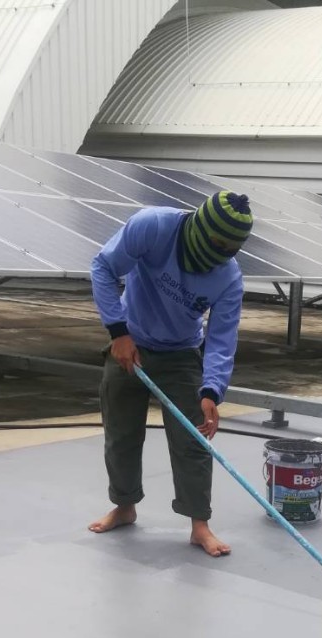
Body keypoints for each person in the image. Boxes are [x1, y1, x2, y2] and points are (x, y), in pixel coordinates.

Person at [88, 191, 254, 556]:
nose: (218, 258)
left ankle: (199, 525)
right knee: (121, 434)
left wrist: (211, 389)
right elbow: (103, 267)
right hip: (131, 343)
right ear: (200, 229)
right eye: (216, 246)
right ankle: (125, 506)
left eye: (229, 251)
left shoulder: (229, 278)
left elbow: (222, 337)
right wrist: (118, 332)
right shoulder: (153, 227)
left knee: (194, 440)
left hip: (181, 353)